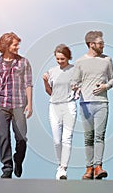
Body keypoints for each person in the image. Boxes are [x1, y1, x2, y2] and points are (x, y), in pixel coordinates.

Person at [0, 32, 33, 179]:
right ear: (6, 46)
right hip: (2, 104)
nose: (17, 47)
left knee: (21, 138)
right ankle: (7, 168)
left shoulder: (24, 62)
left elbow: (28, 84)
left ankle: (18, 160)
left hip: (19, 105)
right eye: (15, 44)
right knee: (3, 137)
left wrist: (30, 104)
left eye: (17, 44)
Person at [71, 31, 113, 180]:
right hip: (85, 103)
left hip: (102, 103)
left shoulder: (107, 60)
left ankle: (98, 167)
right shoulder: (80, 62)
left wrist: (105, 87)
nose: (103, 45)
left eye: (103, 43)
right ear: (91, 44)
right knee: (88, 137)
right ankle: (88, 169)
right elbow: (74, 81)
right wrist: (75, 87)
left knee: (99, 136)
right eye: (100, 43)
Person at [43, 44, 78, 180]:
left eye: (62, 59)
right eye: (57, 59)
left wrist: (76, 89)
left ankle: (63, 169)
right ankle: (59, 164)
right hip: (54, 106)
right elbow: (49, 92)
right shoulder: (52, 71)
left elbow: (78, 87)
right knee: (57, 141)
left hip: (69, 105)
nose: (60, 61)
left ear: (68, 57)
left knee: (66, 139)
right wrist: (45, 82)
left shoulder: (75, 70)